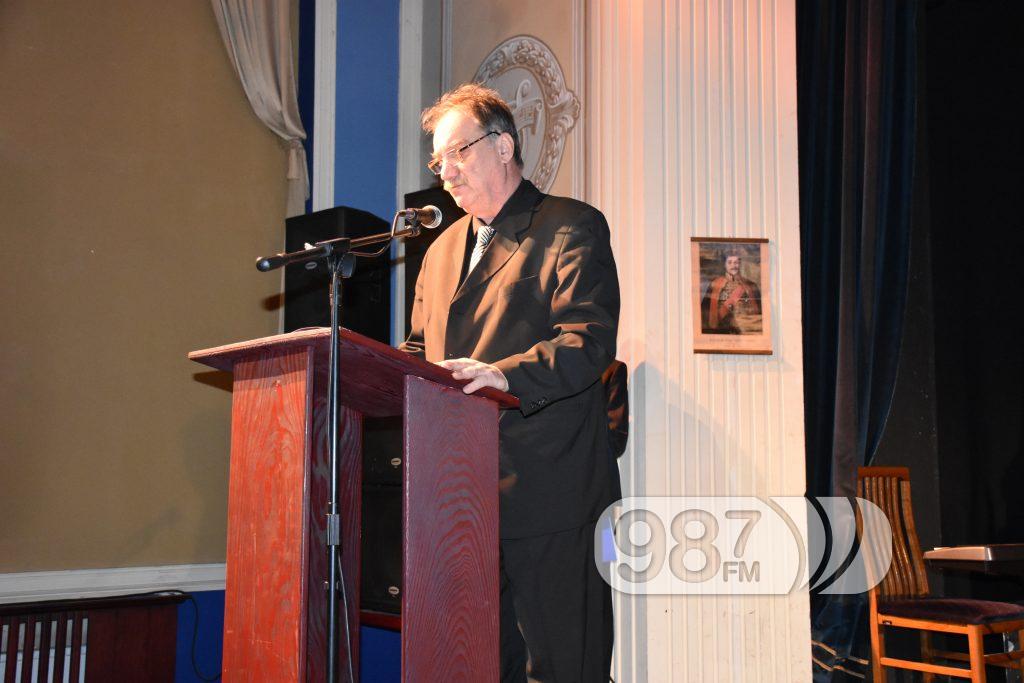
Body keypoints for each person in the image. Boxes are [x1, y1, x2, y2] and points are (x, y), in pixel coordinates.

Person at [400, 83, 621, 682]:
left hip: (551, 490)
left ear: (503, 146)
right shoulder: (440, 252)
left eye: (458, 152)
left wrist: (503, 373)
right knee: (481, 665)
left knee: (563, 666)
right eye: (438, 161)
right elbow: (421, 350)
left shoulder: (569, 226)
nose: (446, 172)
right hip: (462, 496)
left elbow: (588, 340)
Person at [700, 250, 762, 334]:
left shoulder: (750, 285)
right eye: (729, 262)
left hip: (744, 329)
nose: (733, 266)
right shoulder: (714, 284)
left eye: (736, 262)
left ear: (739, 264)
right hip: (721, 331)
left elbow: (758, 312)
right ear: (725, 265)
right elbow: (705, 313)